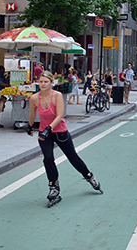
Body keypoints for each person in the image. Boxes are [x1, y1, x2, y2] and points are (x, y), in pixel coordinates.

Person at [27, 71, 103, 207]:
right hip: (45, 133)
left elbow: (59, 115)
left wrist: (48, 129)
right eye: (41, 81)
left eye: (46, 81)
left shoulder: (57, 96)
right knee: (48, 158)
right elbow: (32, 114)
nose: (43, 84)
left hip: (60, 131)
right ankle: (54, 187)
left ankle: (89, 176)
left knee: (73, 157)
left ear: (51, 83)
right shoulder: (34, 98)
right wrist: (30, 126)